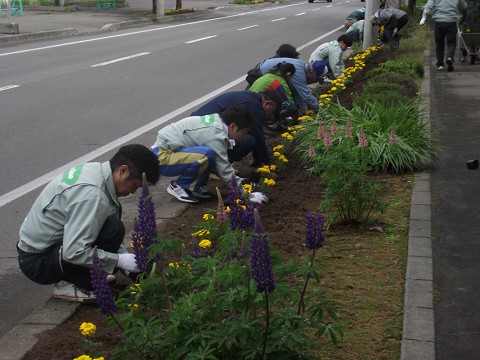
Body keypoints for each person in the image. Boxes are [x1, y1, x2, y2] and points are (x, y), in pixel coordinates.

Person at [17, 144, 160, 303]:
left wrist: (125, 261)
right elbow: (73, 252)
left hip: (47, 249)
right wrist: (119, 260)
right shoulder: (92, 195)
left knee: (112, 227)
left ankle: (81, 276)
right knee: (113, 229)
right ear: (123, 170)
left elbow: (102, 225)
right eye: (135, 185)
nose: (133, 192)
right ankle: (69, 283)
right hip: (38, 262)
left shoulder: (97, 172)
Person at [152, 105, 256, 204]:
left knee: (209, 156)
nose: (244, 136)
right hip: (162, 157)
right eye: (245, 132)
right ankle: (180, 186)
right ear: (233, 126)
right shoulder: (216, 135)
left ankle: (196, 188)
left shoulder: (217, 123)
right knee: (206, 155)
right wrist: (245, 194)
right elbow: (223, 169)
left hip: (168, 151)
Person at [191, 89, 283, 167]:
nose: (270, 116)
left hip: (197, 123)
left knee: (245, 135)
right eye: (272, 113)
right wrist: (265, 164)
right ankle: (217, 166)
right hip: (203, 130)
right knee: (248, 141)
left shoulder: (251, 98)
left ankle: (218, 164)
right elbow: (259, 139)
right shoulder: (254, 107)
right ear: (268, 104)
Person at [259, 58, 327, 115]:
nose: (315, 82)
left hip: (265, 73)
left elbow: (299, 95)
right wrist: (324, 113)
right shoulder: (299, 73)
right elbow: (306, 96)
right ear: (311, 73)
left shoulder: (302, 66)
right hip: (260, 75)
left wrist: (305, 114)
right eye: (316, 79)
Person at [420, 0, 467, 71]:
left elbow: (429, 6)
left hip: (439, 22)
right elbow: (464, 6)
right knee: (451, 43)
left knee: (439, 44)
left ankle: (440, 64)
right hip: (451, 21)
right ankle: (449, 57)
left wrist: (423, 17)